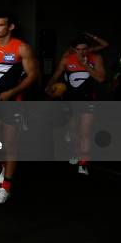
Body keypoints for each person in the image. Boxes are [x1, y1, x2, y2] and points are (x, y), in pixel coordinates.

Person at [0, 12, 39, 204]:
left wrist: (12, 92)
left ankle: (6, 188)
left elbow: (32, 76)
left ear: (11, 27)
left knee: (10, 143)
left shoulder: (21, 48)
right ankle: (4, 164)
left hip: (13, 102)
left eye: (0, 25)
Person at [46, 34, 106, 175]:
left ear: (88, 49)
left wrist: (85, 65)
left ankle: (83, 162)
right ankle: (75, 151)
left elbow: (101, 78)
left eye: (85, 49)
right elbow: (55, 77)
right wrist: (49, 87)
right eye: (78, 49)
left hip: (87, 100)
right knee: (73, 130)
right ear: (74, 49)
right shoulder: (67, 60)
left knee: (85, 131)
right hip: (70, 100)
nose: (82, 52)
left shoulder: (96, 58)